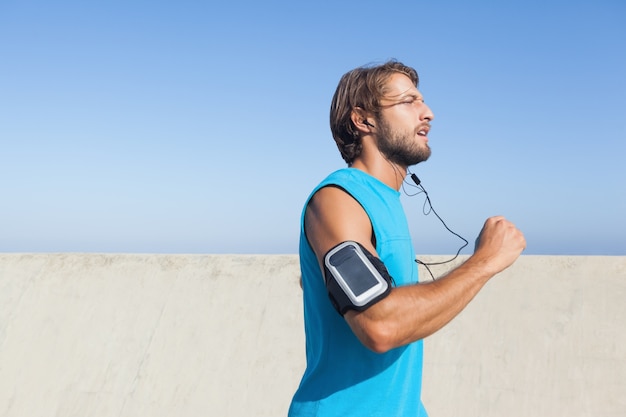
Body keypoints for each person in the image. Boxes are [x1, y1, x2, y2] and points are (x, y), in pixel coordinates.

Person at [288, 60, 526, 417]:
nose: (427, 113)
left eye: (423, 102)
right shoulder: (339, 199)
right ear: (363, 120)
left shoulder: (384, 202)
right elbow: (379, 323)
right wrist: (485, 261)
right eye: (408, 101)